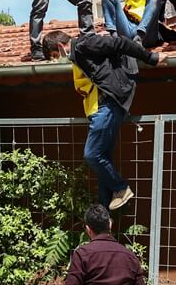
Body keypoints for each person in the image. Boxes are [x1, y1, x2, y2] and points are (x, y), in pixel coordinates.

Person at [42, 29, 169, 210]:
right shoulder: (79, 53)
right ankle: (103, 216)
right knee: (102, 157)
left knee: (92, 154)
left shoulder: (84, 45)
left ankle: (121, 188)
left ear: (61, 46)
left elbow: (121, 43)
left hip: (109, 103)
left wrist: (151, 58)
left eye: (56, 55)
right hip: (107, 105)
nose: (57, 59)